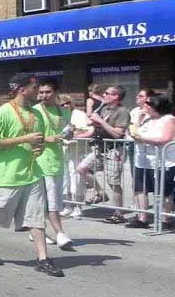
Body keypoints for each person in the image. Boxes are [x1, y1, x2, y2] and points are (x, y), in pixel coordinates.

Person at [0, 74, 62, 277]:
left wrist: (39, 147)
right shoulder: (3, 112)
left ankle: (43, 259)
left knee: (36, 216)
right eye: (35, 87)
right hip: (7, 175)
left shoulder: (36, 113)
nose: (38, 91)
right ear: (22, 89)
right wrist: (25, 139)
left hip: (32, 173)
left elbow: (37, 141)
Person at [33, 79, 75, 250]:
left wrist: (69, 134)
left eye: (47, 92)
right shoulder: (35, 111)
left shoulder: (64, 111)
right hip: (41, 160)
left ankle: (35, 229)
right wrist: (46, 138)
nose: (44, 95)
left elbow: (67, 133)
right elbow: (28, 134)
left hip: (58, 159)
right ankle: (60, 233)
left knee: (51, 200)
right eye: (41, 92)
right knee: (52, 202)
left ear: (56, 93)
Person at [81, 85, 131, 224]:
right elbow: (98, 125)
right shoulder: (104, 108)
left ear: (116, 96)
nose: (104, 95)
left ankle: (119, 213)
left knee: (113, 182)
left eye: (107, 93)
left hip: (114, 150)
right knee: (82, 168)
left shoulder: (122, 112)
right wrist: (94, 123)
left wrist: (101, 121)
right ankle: (100, 193)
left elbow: (118, 134)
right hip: (100, 148)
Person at [128, 95, 175, 229]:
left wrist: (144, 139)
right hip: (143, 160)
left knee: (164, 190)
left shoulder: (169, 119)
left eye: (149, 104)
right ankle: (142, 217)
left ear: (157, 106)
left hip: (163, 160)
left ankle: (166, 219)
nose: (146, 106)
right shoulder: (147, 119)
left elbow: (166, 138)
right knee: (140, 188)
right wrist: (138, 120)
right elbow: (134, 132)